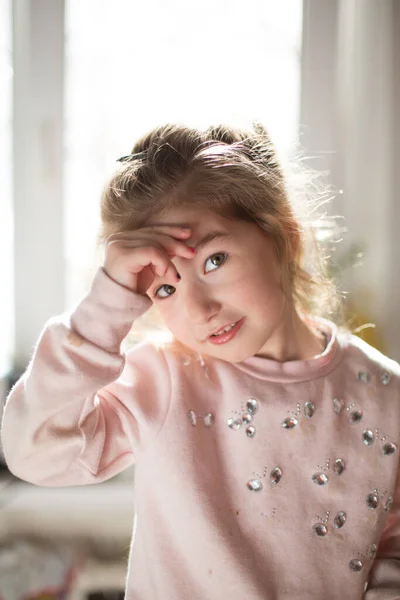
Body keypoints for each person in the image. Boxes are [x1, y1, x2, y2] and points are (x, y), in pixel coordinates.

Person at [1, 121, 400, 600]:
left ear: (285, 239)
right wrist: (102, 308)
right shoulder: (160, 380)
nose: (199, 310)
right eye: (166, 287)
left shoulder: (386, 393)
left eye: (214, 260)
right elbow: (33, 452)